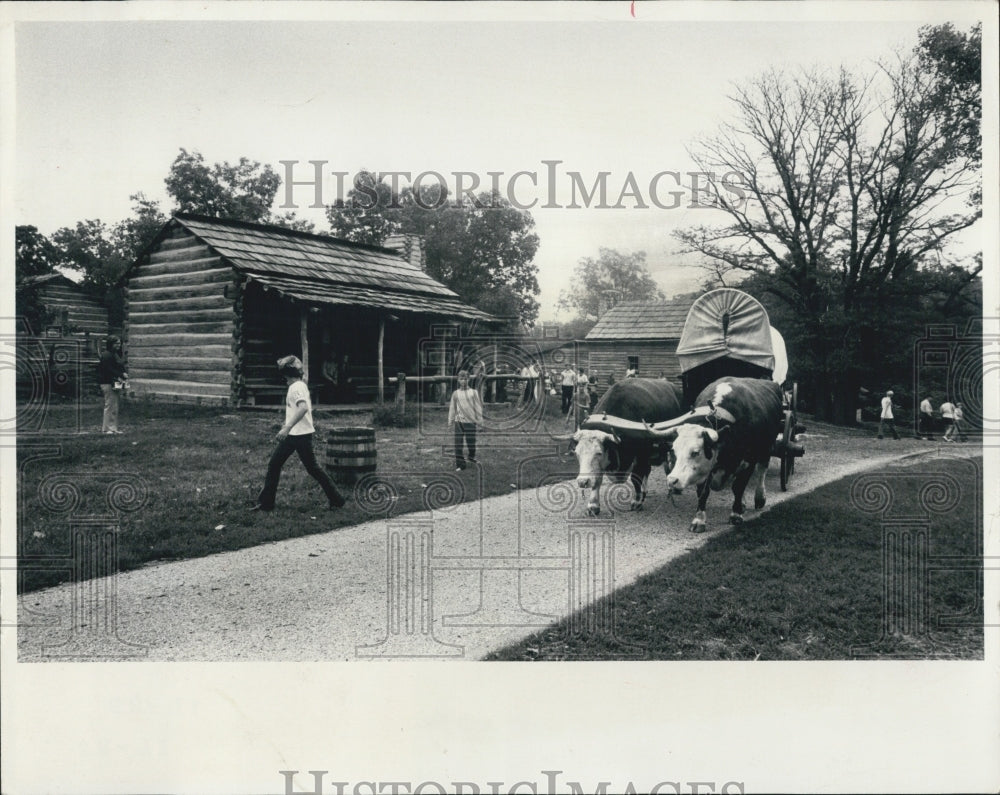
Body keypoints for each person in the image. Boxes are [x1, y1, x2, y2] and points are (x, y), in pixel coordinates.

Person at [251, 355, 345, 512]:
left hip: (299, 436)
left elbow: (302, 408)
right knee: (277, 464)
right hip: (296, 434)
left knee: (310, 468)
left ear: (286, 373)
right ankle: (267, 503)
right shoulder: (299, 385)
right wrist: (288, 426)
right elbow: (297, 409)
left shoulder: (295, 388)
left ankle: (337, 499)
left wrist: (287, 427)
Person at [449, 369, 484, 471]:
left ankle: (471, 456)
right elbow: (452, 408)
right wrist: (450, 421)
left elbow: (478, 407)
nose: (463, 381)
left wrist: (480, 421)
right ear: (458, 380)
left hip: (470, 422)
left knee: (471, 443)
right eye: (461, 379)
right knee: (458, 444)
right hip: (459, 422)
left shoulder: (473, 392)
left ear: (469, 379)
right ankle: (460, 464)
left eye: (465, 379)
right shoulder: (455, 393)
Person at [96, 335, 127, 434]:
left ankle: (113, 427)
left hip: (114, 382)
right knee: (109, 405)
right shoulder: (106, 355)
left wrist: (123, 373)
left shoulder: (115, 354)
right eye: (116, 343)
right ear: (111, 344)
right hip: (107, 382)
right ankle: (106, 429)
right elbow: (108, 369)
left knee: (114, 405)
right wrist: (121, 374)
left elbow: (119, 366)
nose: (119, 345)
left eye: (119, 343)